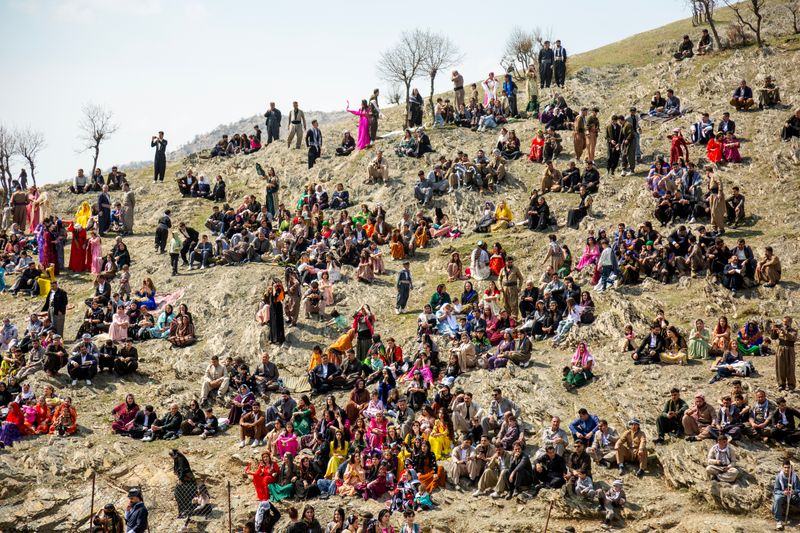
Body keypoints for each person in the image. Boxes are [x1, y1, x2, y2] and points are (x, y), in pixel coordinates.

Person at [773, 459, 800, 531]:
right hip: (783, 495)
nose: (787, 469)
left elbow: (798, 489)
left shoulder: (795, 477)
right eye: (785, 467)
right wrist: (783, 492)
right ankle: (778, 521)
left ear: (791, 468)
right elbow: (776, 490)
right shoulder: (779, 477)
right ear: (782, 467)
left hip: (792, 495)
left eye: (788, 467)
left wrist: (794, 491)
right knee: (777, 498)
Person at [772, 317, 797, 392]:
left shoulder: (794, 330)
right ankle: (781, 384)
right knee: (780, 366)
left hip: (790, 349)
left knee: (790, 367)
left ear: (790, 322)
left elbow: (793, 338)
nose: (784, 323)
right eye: (784, 322)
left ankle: (791, 385)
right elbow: (773, 337)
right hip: (780, 349)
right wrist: (774, 331)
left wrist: (785, 332)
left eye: (786, 322)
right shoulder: (780, 329)